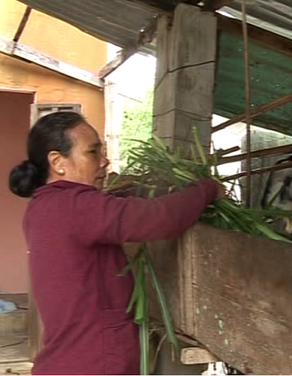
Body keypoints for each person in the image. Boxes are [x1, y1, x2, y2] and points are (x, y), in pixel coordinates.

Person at [9, 111, 224, 375]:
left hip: (69, 361)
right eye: (92, 152)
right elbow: (159, 218)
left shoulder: (43, 206)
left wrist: (132, 191)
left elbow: (109, 211)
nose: (104, 161)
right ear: (58, 162)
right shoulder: (76, 206)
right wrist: (206, 190)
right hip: (94, 365)